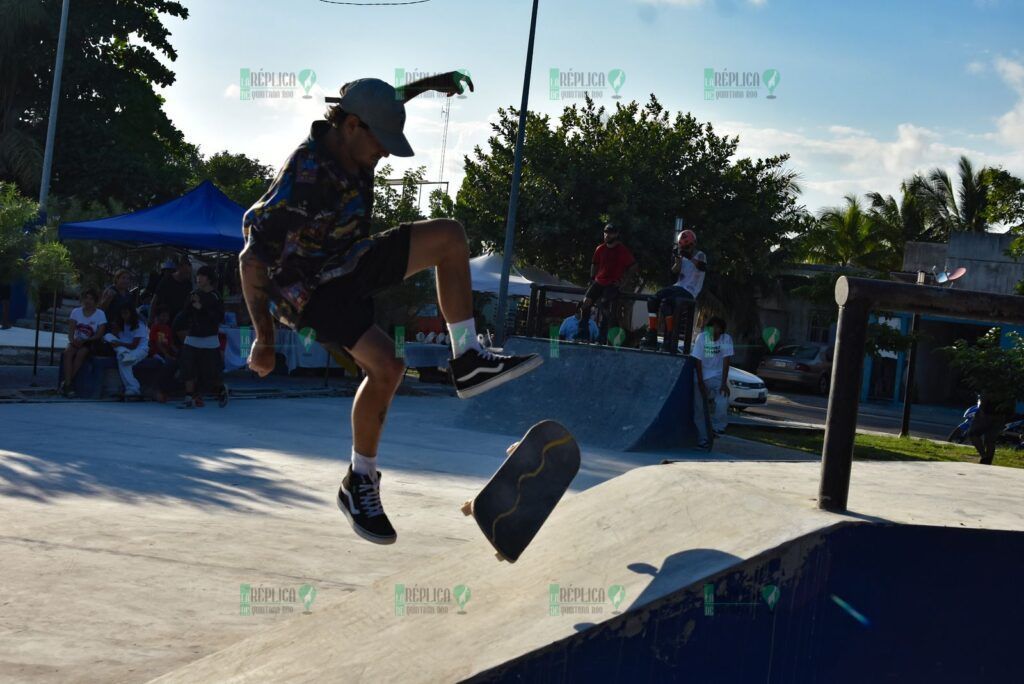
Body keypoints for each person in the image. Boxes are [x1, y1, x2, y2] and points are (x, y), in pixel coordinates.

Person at [239, 74, 541, 545]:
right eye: (381, 144)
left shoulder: (359, 128)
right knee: (388, 364)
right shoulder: (306, 175)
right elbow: (252, 259)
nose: (383, 154)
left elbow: (390, 97)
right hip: (309, 291)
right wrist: (263, 336)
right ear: (354, 126)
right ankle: (361, 481)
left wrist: (430, 83)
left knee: (449, 237)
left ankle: (466, 361)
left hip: (350, 261)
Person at [644, 228, 707, 354]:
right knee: (653, 300)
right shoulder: (681, 256)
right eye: (684, 247)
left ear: (693, 244)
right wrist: (678, 260)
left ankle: (670, 336)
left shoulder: (700, 255)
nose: (686, 250)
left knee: (668, 303)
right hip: (678, 286)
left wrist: (688, 256)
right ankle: (652, 333)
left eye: (688, 247)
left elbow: (702, 267)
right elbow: (674, 273)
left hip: (690, 290)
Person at [178, 265, 228, 409]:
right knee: (187, 367)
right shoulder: (193, 293)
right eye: (198, 276)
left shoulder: (216, 296)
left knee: (211, 372)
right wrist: (190, 304)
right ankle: (188, 397)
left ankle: (221, 390)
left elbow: (219, 317)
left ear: (209, 279)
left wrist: (203, 308)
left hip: (209, 338)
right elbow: (185, 313)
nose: (198, 278)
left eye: (202, 276)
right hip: (193, 336)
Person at [581, 223, 636, 344]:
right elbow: (594, 264)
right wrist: (592, 279)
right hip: (599, 281)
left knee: (606, 306)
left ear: (616, 234)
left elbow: (633, 266)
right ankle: (582, 334)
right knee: (585, 303)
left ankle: (602, 336)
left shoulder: (622, 250)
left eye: (610, 233)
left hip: (612, 283)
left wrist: (623, 281)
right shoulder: (600, 248)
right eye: (605, 232)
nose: (607, 235)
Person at [692, 317, 733, 449]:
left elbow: (727, 361)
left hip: (716, 377)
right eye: (712, 329)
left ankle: (718, 427)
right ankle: (703, 440)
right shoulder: (702, 338)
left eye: (717, 330)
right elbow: (697, 361)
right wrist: (700, 383)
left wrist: (723, 383)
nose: (714, 333)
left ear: (721, 331)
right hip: (700, 377)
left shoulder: (726, 339)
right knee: (699, 409)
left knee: (723, 396)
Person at [60, 289, 108, 397]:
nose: (88, 301)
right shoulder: (76, 312)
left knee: (81, 354)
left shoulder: (100, 314)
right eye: (86, 298)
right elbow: (71, 331)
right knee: (68, 353)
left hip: (91, 341)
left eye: (91, 299)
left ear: (95, 301)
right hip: (76, 340)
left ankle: (67, 382)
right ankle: (68, 384)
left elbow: (99, 333)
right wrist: (73, 341)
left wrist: (86, 340)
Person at [105, 303, 149, 399]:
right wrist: (115, 331)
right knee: (107, 336)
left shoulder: (139, 324)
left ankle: (133, 388)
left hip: (139, 349)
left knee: (123, 361)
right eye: (122, 314)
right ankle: (133, 388)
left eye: (126, 313)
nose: (124, 316)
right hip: (124, 348)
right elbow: (117, 337)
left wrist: (119, 344)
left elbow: (134, 345)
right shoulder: (122, 323)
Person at [150, 256, 193, 325]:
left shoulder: (188, 284)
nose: (188, 275)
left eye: (189, 272)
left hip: (178, 321)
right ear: (179, 268)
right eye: (186, 272)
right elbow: (154, 300)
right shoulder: (167, 280)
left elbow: (187, 303)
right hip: (163, 320)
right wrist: (150, 319)